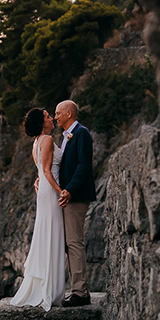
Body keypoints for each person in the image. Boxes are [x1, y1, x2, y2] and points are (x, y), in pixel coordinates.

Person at [9, 107, 66, 311]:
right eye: (48, 117)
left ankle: (46, 286)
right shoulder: (48, 140)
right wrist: (61, 191)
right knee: (52, 235)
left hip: (43, 190)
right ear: (42, 123)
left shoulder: (36, 143)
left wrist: (42, 182)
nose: (52, 119)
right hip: (50, 191)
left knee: (46, 234)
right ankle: (50, 289)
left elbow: (41, 172)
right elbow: (46, 171)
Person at [55, 100, 96, 307]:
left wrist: (69, 190)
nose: (55, 117)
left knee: (74, 242)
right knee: (69, 243)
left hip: (76, 197)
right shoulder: (67, 136)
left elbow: (83, 166)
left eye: (58, 113)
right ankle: (77, 289)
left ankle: (80, 292)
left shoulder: (81, 133)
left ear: (69, 113)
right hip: (68, 196)